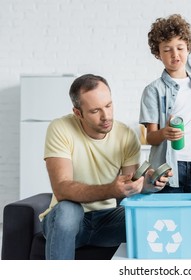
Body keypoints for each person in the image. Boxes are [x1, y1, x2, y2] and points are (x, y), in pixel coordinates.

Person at [39, 74, 171, 260]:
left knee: (149, 218)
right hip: (68, 222)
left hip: (107, 220)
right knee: (69, 209)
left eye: (108, 106)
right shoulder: (61, 128)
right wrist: (111, 189)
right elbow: (62, 189)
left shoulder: (126, 135)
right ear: (78, 113)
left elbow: (130, 185)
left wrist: (148, 183)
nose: (106, 116)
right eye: (95, 111)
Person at [139, 14, 191, 193]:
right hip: (168, 167)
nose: (175, 54)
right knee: (170, 217)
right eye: (167, 50)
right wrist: (164, 133)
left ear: (188, 48)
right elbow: (150, 137)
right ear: (158, 54)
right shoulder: (153, 90)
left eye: (180, 48)